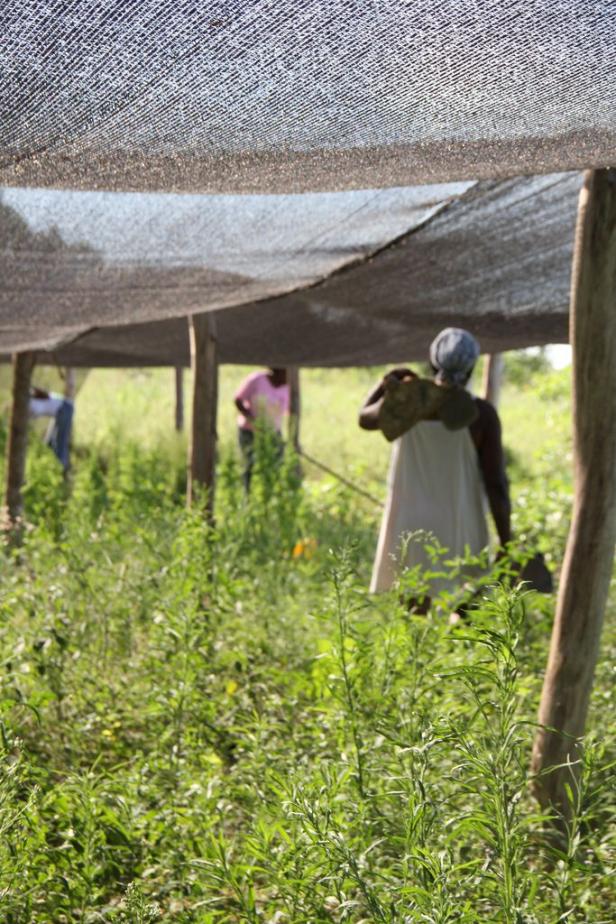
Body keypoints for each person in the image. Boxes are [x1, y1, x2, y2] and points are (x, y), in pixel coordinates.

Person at [359, 328, 511, 613]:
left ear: (432, 364)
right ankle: (458, 652)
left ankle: (418, 657)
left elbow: (365, 418)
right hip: (459, 523)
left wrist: (388, 384)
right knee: (466, 612)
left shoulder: (406, 406)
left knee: (415, 616)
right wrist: (506, 541)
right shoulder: (481, 415)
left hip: (411, 524)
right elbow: (496, 484)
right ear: (471, 367)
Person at [234, 368, 290, 491]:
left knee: (276, 466)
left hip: (272, 433)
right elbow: (238, 399)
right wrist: (252, 419)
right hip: (250, 431)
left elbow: (284, 412)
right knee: (249, 465)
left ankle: (270, 495)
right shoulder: (257, 379)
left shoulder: (286, 388)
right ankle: (247, 498)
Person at [29, 386, 74, 471]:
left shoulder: (31, 402)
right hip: (61, 410)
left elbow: (34, 413)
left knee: (60, 442)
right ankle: (51, 466)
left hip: (65, 409)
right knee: (48, 442)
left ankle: (61, 470)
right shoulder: (34, 397)